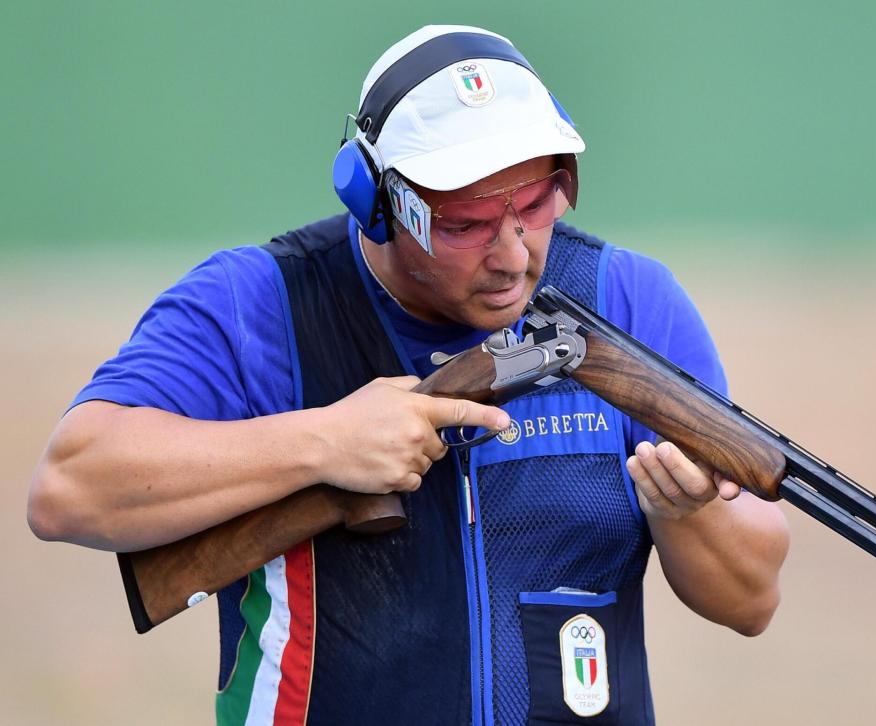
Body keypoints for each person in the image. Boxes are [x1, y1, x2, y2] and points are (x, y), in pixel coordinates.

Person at [28, 25, 789, 726]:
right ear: (377, 203)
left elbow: (752, 599)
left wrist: (690, 515)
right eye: (465, 226)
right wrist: (323, 443)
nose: (515, 253)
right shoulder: (255, 305)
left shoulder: (627, 302)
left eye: (538, 202)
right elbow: (69, 489)